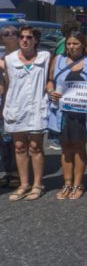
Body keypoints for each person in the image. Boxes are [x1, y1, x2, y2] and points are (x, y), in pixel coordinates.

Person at [47, 31, 87, 200]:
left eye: (75, 43)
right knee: (65, 147)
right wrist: (50, 91)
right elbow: (50, 81)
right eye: (69, 43)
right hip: (62, 112)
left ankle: (78, 184)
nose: (72, 47)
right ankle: (67, 183)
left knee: (79, 148)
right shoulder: (58, 60)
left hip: (82, 114)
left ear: (83, 44)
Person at [4, 26, 51, 202]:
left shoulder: (45, 57)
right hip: (16, 107)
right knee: (19, 147)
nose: (25, 40)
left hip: (37, 108)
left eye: (29, 37)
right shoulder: (9, 59)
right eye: (22, 37)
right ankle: (23, 184)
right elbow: (7, 84)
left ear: (36, 40)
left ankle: (38, 184)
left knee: (35, 147)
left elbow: (50, 79)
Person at [0, 25, 20, 188]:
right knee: (5, 140)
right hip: (2, 102)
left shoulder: (23, 57)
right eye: (6, 34)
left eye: (15, 33)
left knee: (17, 140)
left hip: (18, 103)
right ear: (1, 39)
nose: (11, 35)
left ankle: (17, 172)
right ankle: (8, 171)